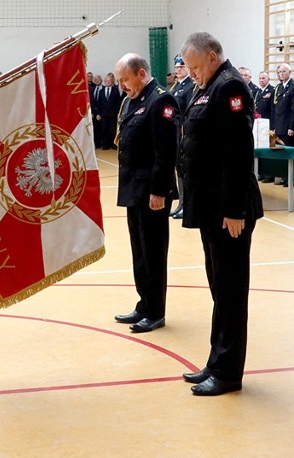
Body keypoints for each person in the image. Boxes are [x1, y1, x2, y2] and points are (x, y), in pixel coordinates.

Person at [179, 32, 263, 396]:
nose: (192, 73)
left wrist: (234, 210)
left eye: (196, 66)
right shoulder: (207, 87)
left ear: (212, 57)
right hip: (211, 208)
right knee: (219, 289)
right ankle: (217, 361)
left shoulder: (230, 88)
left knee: (230, 291)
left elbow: (238, 154)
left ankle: (229, 373)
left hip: (229, 212)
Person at [112, 53, 178, 333]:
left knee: (153, 252)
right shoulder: (132, 100)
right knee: (139, 251)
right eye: (119, 81)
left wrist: (159, 191)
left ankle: (155, 311)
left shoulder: (160, 99)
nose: (122, 86)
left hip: (152, 191)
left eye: (125, 80)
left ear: (140, 73)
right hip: (133, 188)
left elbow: (166, 152)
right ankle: (144, 303)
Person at [169, 54, 195, 220]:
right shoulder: (175, 87)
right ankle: (181, 204)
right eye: (177, 67)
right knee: (179, 169)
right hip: (175, 131)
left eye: (181, 67)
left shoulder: (189, 87)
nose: (178, 70)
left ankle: (187, 206)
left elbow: (187, 111)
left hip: (183, 131)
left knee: (185, 170)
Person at [271, 63, 294, 186]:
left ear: (289, 72)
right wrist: (274, 126)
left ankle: (290, 178)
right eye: (279, 72)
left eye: (283, 72)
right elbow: (276, 109)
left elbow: (293, 109)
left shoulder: (292, 86)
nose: (281, 74)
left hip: (288, 126)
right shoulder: (279, 87)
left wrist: (292, 127)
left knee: (289, 152)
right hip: (279, 125)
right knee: (281, 153)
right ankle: (284, 176)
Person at [96, 74, 120, 149]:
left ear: (112, 81)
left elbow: (118, 103)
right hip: (103, 114)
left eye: (109, 80)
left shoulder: (115, 91)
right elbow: (98, 104)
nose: (107, 82)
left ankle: (113, 144)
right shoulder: (101, 91)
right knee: (104, 130)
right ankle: (105, 145)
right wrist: (98, 114)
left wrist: (118, 113)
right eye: (106, 80)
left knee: (112, 130)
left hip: (113, 114)